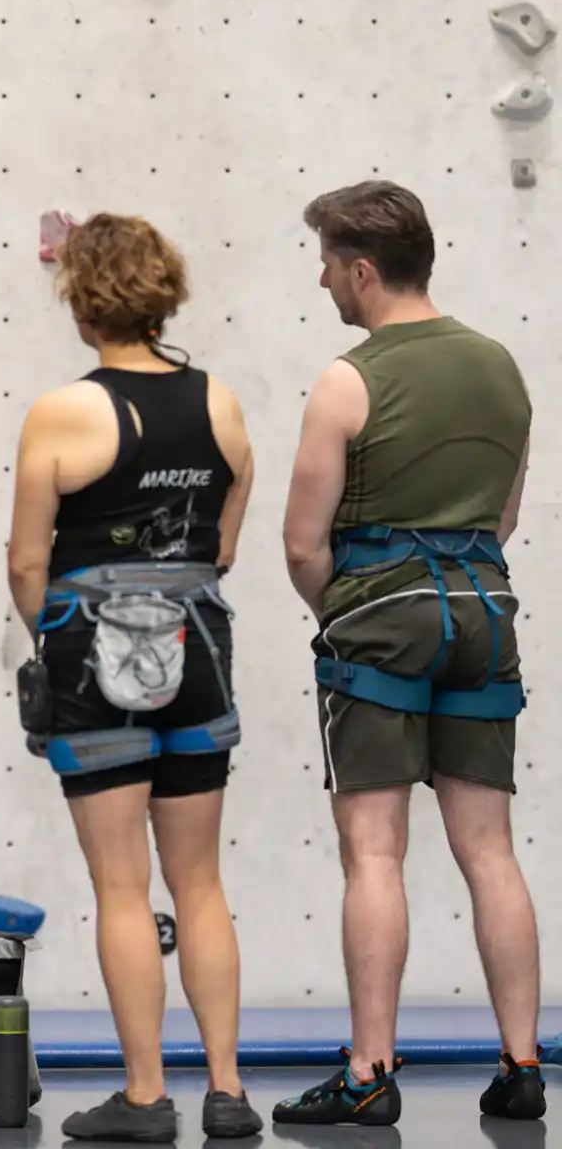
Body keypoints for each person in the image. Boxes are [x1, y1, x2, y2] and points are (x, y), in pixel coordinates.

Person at [275, 181, 541, 1127]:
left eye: (325, 266)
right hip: (484, 612)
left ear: (362, 271)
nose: (321, 283)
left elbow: (302, 544)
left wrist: (345, 612)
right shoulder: (502, 367)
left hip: (383, 620)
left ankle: (369, 1073)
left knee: (375, 852)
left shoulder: (348, 379)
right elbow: (502, 518)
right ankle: (522, 1064)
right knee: (490, 850)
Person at [6, 213, 261, 1143]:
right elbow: (222, 547)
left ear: (81, 303)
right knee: (201, 884)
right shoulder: (220, 403)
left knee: (123, 887)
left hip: (92, 656)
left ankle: (147, 1097)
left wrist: (59, 641)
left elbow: (27, 563)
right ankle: (228, 1090)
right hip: (198, 651)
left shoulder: (63, 412)